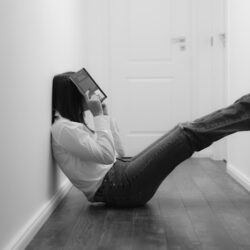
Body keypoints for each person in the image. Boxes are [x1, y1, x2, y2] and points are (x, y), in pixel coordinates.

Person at [51, 72, 250, 208]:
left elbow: (117, 153)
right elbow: (105, 156)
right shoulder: (63, 129)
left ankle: (245, 108)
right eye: (83, 94)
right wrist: (98, 117)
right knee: (186, 134)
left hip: (118, 174)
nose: (88, 97)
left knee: (182, 130)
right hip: (118, 188)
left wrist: (105, 116)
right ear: (72, 98)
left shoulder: (71, 126)